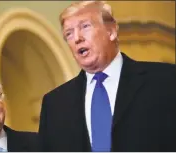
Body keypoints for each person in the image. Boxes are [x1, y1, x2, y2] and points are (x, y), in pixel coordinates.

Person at [38, 1, 176, 152]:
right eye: (69, 34)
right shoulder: (54, 104)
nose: (77, 38)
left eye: (85, 26)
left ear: (111, 31)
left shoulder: (165, 80)